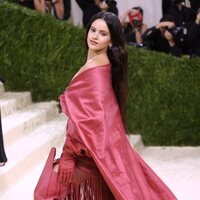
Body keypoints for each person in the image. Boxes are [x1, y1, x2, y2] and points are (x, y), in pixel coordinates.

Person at [57, 12, 177, 199]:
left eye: (103, 34)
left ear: (111, 41)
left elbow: (89, 120)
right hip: (96, 155)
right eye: (93, 30)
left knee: (47, 191)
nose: (95, 36)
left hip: (89, 158)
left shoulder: (96, 69)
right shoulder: (99, 64)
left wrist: (68, 153)